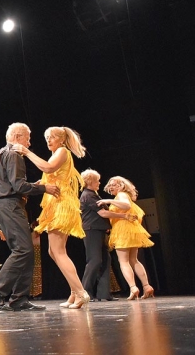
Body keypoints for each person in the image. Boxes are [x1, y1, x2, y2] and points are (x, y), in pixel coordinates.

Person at [0, 122, 59, 312]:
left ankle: (19, 298)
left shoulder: (0, 154)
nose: (29, 142)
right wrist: (43, 188)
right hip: (9, 205)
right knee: (23, 250)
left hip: (6, 204)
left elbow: (12, 184)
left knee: (26, 251)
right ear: (18, 137)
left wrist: (33, 185)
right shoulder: (14, 154)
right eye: (28, 138)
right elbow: (18, 186)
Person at [13, 126, 89, 309]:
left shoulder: (62, 151)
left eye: (51, 137)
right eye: (46, 138)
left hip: (61, 204)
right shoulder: (57, 153)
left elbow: (48, 167)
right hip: (56, 203)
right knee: (53, 251)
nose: (48, 141)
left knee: (59, 251)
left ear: (61, 140)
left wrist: (26, 152)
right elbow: (50, 175)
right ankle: (74, 291)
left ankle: (81, 292)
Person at [79, 169, 135, 302]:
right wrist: (123, 216)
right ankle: (84, 292)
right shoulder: (88, 195)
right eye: (97, 180)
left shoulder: (94, 194)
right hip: (92, 230)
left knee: (105, 260)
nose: (99, 183)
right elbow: (103, 213)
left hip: (100, 230)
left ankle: (103, 294)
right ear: (91, 181)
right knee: (94, 260)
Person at [99, 176, 155, 300]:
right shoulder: (122, 196)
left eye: (114, 184)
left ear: (122, 186)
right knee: (134, 260)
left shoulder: (121, 195)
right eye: (110, 185)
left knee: (123, 261)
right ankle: (147, 286)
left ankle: (133, 287)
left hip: (123, 231)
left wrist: (108, 200)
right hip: (131, 230)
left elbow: (126, 206)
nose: (111, 187)